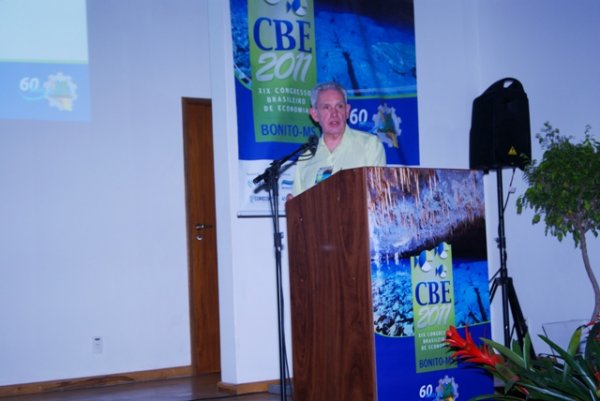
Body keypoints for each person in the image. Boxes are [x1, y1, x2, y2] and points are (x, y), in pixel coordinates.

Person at [291, 82, 387, 196]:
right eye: (327, 107)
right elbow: (298, 203)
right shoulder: (306, 157)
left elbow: (377, 197)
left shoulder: (369, 146)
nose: (334, 114)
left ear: (347, 111)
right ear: (315, 114)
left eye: (339, 106)